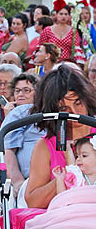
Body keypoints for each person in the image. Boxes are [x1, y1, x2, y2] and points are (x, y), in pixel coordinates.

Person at [25, 66, 96, 209]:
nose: (75, 113)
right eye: (64, 109)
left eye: (78, 103)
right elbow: (33, 202)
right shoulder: (46, 146)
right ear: (52, 111)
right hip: (63, 221)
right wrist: (69, 171)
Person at [2, 73, 43, 194]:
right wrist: (17, 181)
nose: (20, 94)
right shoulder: (18, 113)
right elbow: (7, 150)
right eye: (17, 91)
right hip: (28, 180)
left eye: (26, 90)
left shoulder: (47, 111)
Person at [38, 0, 83, 64]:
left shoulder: (73, 31)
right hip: (50, 64)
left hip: (67, 65)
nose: (63, 16)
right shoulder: (47, 30)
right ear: (56, 15)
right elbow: (41, 47)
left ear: (69, 16)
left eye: (66, 14)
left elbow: (77, 49)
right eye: (61, 14)